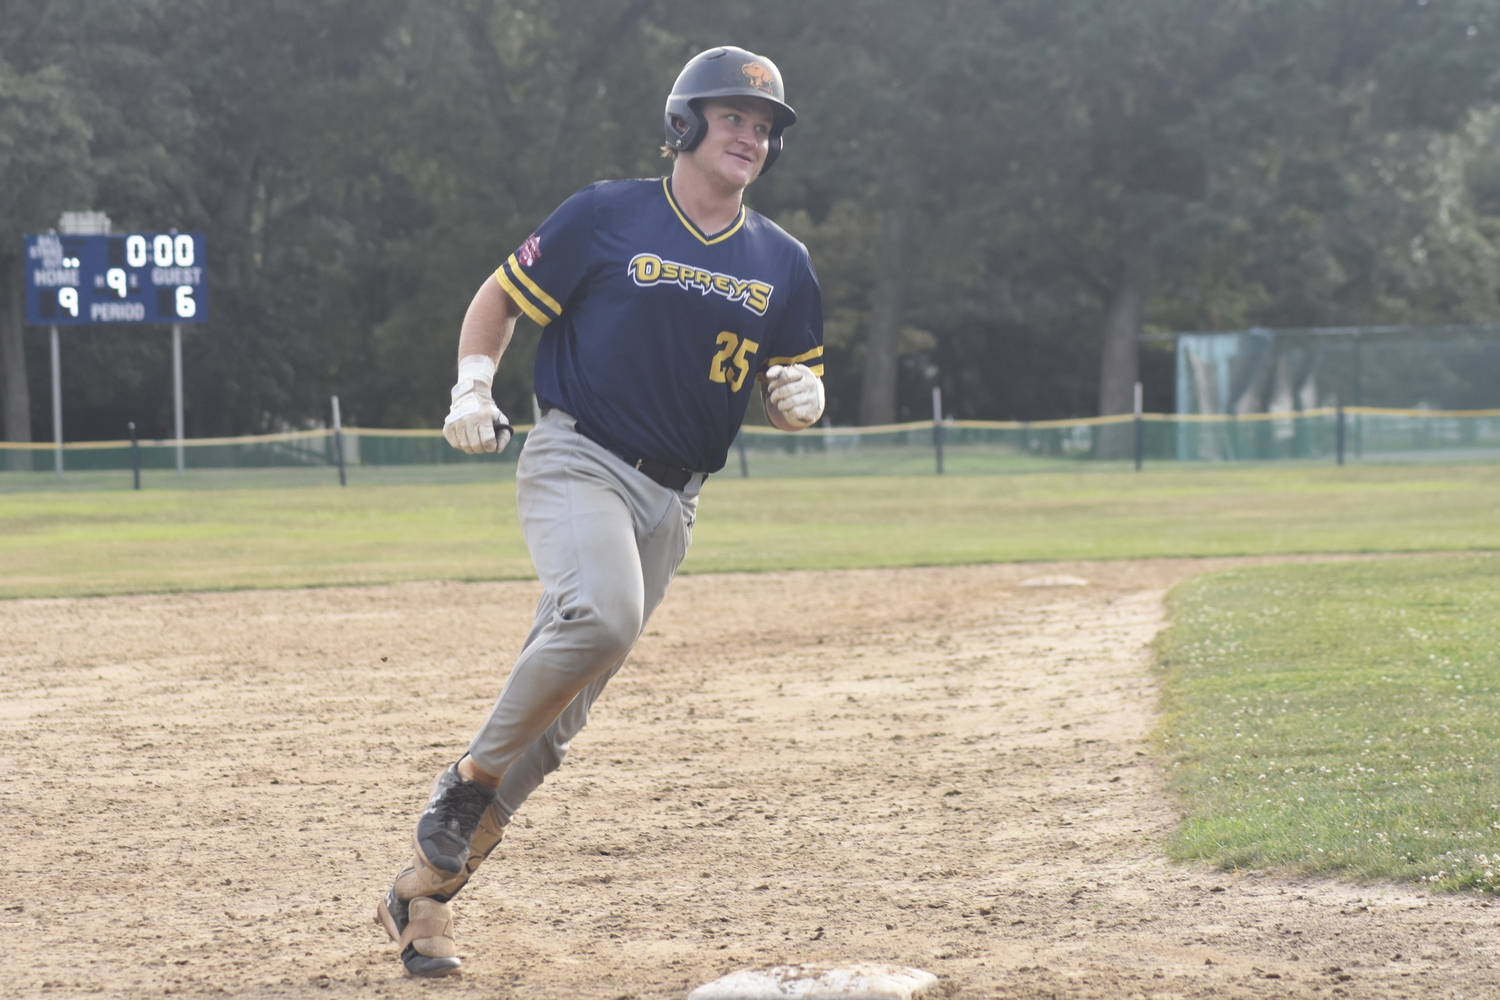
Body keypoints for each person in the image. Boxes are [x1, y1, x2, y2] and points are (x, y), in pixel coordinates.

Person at [375, 45, 825, 977]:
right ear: (684, 124)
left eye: (765, 125)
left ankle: (422, 897)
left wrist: (797, 400)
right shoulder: (608, 213)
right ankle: (463, 786)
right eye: (734, 115)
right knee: (602, 616)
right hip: (579, 458)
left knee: (560, 726)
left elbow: (790, 384)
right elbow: (501, 295)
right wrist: (471, 386)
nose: (752, 135)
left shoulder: (783, 260)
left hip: (677, 500)